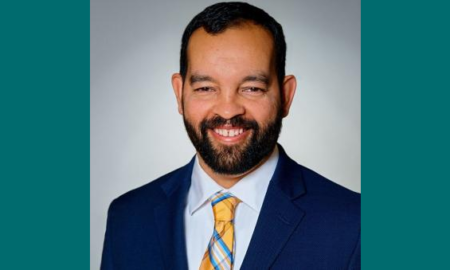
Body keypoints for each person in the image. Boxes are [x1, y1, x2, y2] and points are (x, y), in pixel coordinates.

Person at [100, 2, 360, 270]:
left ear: (286, 96)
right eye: (205, 88)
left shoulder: (354, 225)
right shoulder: (128, 217)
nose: (227, 110)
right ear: (179, 93)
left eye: (252, 88)